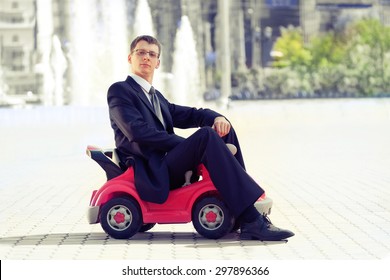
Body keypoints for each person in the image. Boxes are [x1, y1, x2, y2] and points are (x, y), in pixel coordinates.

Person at [107, 35, 294, 241]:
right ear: (129, 58)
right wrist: (187, 145)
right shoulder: (120, 90)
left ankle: (242, 210)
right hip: (151, 169)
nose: (146, 58)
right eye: (140, 52)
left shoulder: (155, 96)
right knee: (206, 136)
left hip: (166, 164)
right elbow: (137, 132)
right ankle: (252, 219)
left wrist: (217, 117)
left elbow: (190, 114)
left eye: (152, 54)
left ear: (158, 62)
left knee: (222, 128)